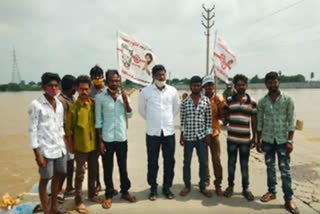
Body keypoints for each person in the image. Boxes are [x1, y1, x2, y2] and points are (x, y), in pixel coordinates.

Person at [256, 72, 299, 214]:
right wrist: (258, 140)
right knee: (270, 168)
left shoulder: (287, 99)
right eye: (269, 83)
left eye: (274, 82)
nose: (272, 85)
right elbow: (260, 122)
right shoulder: (262, 102)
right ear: (266, 84)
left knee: (285, 171)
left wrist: (290, 141)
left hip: (282, 141)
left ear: (278, 82)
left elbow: (291, 121)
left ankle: (288, 199)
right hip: (267, 140)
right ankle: (271, 192)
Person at [95, 69, 136, 209]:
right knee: (108, 167)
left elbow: (129, 115)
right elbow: (98, 120)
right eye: (111, 81)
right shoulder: (100, 97)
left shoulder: (123, 96)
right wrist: (100, 141)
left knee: (123, 166)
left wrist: (125, 101)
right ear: (106, 82)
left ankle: (125, 191)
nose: (114, 83)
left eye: (116, 81)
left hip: (121, 137)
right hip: (106, 138)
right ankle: (108, 194)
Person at [28, 72, 67, 214]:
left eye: (56, 85)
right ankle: (46, 210)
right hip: (45, 150)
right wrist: (37, 154)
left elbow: (60, 125)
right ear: (43, 87)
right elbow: (32, 130)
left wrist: (63, 143)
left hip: (59, 148)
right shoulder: (36, 105)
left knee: (60, 174)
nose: (54, 88)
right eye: (50, 85)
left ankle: (54, 206)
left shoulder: (59, 104)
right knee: (45, 179)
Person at [138, 65, 179, 201]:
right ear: (153, 76)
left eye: (163, 75)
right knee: (152, 162)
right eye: (158, 75)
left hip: (168, 132)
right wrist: (153, 121)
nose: (161, 77)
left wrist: (166, 120)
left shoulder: (172, 91)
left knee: (169, 161)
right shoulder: (145, 92)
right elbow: (142, 110)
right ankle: (153, 188)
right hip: (152, 133)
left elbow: (175, 109)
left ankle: (167, 187)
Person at [65, 75, 101, 214]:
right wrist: (70, 146)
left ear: (89, 88)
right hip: (80, 147)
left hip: (93, 145)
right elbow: (68, 130)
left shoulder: (93, 105)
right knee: (80, 175)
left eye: (86, 89)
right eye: (81, 89)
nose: (84, 92)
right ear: (77, 89)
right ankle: (78, 200)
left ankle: (91, 194)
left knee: (93, 171)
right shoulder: (73, 108)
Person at [223, 74, 256, 201]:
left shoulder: (252, 102)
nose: (241, 87)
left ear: (246, 86)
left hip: (245, 140)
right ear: (235, 86)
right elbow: (224, 118)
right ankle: (230, 186)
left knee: (244, 164)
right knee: (231, 163)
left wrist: (254, 138)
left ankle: (245, 188)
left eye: (243, 84)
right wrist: (223, 113)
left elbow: (254, 121)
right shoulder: (229, 100)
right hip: (231, 138)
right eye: (238, 85)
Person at [179, 76, 212, 198]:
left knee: (203, 162)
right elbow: (182, 120)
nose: (196, 87)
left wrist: (208, 135)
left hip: (201, 137)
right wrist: (181, 136)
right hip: (188, 136)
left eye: (198, 85)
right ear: (190, 87)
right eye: (194, 85)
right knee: (186, 162)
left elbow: (208, 119)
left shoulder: (206, 100)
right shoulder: (185, 101)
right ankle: (187, 185)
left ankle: (202, 186)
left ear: (201, 86)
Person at [202, 75, 225, 197]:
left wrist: (220, 108)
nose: (209, 87)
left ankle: (218, 184)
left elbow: (222, 117)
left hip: (214, 133)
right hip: (202, 133)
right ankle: (206, 180)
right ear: (204, 86)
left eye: (211, 84)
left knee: (216, 160)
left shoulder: (218, 98)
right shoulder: (200, 98)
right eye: (207, 85)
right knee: (204, 160)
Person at [57, 75, 76, 202]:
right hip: (64, 137)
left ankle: (69, 187)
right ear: (70, 86)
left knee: (70, 164)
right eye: (75, 85)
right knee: (62, 167)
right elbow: (62, 121)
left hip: (71, 136)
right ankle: (58, 190)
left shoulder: (72, 98)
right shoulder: (61, 101)